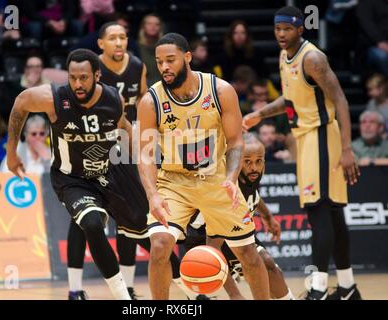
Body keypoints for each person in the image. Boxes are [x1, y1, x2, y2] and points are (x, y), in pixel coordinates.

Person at [137, 33, 270, 300]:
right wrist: (152, 195)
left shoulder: (221, 91)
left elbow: (235, 142)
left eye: (170, 60)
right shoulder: (151, 101)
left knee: (248, 254)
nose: (164, 67)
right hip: (174, 181)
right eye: (159, 61)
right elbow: (146, 155)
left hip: (216, 178)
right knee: (160, 245)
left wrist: (232, 178)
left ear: (187, 57)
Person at [63, 23, 191, 301]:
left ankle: (130, 286)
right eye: (113, 38)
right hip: (94, 144)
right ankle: (74, 288)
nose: (119, 42)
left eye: (123, 37)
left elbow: (146, 99)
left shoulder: (137, 65)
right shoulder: (89, 72)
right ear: (101, 44)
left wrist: (149, 140)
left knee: (134, 217)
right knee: (84, 219)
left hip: (130, 141)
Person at [243, 6, 362, 300]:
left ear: (300, 29)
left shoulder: (313, 59)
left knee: (319, 210)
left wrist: (347, 149)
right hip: (307, 137)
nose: (281, 34)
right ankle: (347, 287)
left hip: (322, 136)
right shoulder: (286, 57)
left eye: (287, 29)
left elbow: (341, 100)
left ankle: (319, 288)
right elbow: (291, 98)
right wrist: (261, 114)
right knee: (332, 213)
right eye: (277, 29)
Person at [7, 48, 143, 300]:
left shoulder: (113, 99)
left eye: (83, 78)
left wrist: (143, 163)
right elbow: (20, 103)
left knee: (142, 229)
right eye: (72, 78)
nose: (77, 84)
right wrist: (11, 151)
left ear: (97, 76)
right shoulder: (54, 98)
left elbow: (124, 127)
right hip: (72, 179)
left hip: (107, 174)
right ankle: (123, 297)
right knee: (90, 224)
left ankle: (190, 292)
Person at [185, 133, 295, 300]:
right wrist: (234, 294)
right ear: (236, 163)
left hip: (233, 234)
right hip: (204, 242)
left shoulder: (249, 180)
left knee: (272, 268)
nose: (254, 167)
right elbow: (213, 247)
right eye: (247, 162)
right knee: (264, 263)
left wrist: (268, 217)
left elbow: (254, 197)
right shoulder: (225, 192)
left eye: (259, 161)